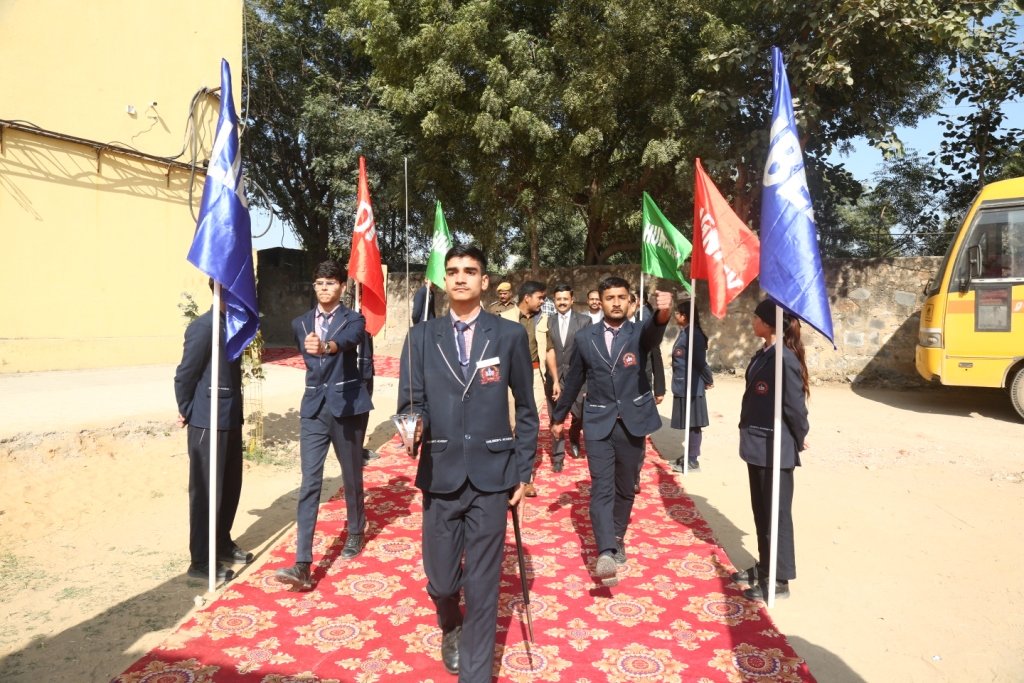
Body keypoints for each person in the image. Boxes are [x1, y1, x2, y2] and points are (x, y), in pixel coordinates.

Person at [398, 245, 538, 681]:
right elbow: (410, 404)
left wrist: (523, 471)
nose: (461, 278)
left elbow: (527, 410)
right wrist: (412, 426)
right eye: (453, 271)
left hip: (493, 476)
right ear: (444, 280)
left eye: (470, 271)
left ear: (484, 280)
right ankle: (449, 622)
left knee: (482, 584)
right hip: (440, 472)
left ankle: (475, 675)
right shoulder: (421, 338)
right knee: (442, 580)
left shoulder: (509, 335)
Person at [550, 276, 672, 587]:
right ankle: (605, 550)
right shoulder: (585, 337)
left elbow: (655, 331)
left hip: (632, 422)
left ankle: (617, 535)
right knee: (602, 487)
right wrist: (559, 416)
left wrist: (663, 313)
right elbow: (574, 380)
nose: (616, 303)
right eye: (609, 298)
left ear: (630, 300)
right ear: (600, 302)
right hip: (598, 422)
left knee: (625, 486)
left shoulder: (638, 332)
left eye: (621, 297)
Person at [276, 261, 373, 591]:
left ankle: (356, 530)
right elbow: (310, 363)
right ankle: (302, 564)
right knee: (310, 482)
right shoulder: (300, 323)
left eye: (330, 283)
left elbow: (348, 340)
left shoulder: (354, 319)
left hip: (347, 407)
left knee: (351, 474)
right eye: (319, 283)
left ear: (342, 287)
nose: (324, 288)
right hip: (314, 409)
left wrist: (327, 346)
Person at [731, 299, 810, 602]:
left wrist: (799, 436)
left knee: (777, 514)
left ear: (768, 323)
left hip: (776, 446)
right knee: (762, 512)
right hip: (757, 444)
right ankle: (766, 565)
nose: (752, 321)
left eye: (756, 317)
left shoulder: (784, 359)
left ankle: (780, 578)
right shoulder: (764, 353)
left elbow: (794, 406)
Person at [173, 281, 252, 583]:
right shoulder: (204, 327)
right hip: (207, 421)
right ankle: (200, 560)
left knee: (229, 487)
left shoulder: (231, 325)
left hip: (229, 417)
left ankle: (221, 542)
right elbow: (185, 374)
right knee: (206, 492)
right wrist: (188, 409)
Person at [501, 280, 549, 497]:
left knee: (529, 425)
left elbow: (549, 349)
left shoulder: (544, 319)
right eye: (540, 297)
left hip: (536, 375)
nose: (543, 302)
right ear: (527, 298)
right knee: (510, 425)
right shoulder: (503, 318)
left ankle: (525, 478)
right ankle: (506, 474)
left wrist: (554, 380)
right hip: (509, 377)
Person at [544, 283, 591, 469]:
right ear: (554, 301)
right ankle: (558, 458)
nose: (562, 302)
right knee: (555, 417)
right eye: (558, 299)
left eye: (565, 299)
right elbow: (548, 349)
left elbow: (588, 352)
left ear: (572, 300)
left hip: (577, 378)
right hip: (554, 376)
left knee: (579, 414)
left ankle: (574, 434)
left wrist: (588, 382)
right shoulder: (547, 322)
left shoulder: (584, 321)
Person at [669, 301, 714, 473]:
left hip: (692, 386)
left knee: (694, 423)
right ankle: (688, 455)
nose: (675, 316)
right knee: (689, 422)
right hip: (683, 383)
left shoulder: (693, 335)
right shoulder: (685, 332)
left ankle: (693, 460)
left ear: (685, 316)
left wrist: (708, 379)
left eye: (677, 313)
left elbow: (699, 362)